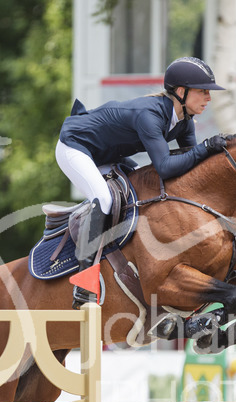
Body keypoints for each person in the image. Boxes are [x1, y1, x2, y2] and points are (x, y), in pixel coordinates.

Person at [55, 56, 227, 307]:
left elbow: (192, 167)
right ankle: (83, 285)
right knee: (103, 198)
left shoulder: (184, 121)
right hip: (76, 147)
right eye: (203, 92)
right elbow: (167, 167)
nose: (208, 98)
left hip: (108, 155)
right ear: (181, 92)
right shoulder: (150, 115)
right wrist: (206, 148)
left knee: (140, 192)